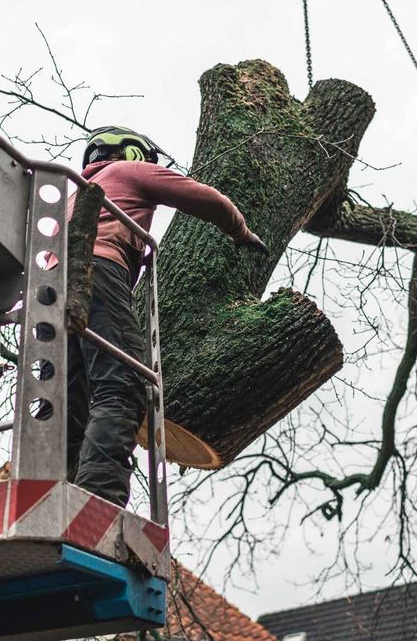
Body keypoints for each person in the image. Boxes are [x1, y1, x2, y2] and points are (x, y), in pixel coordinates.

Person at [43, 126, 267, 507]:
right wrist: (240, 230)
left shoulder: (74, 193)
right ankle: (97, 501)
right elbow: (204, 198)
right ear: (131, 153)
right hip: (95, 272)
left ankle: (54, 492)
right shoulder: (127, 171)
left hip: (47, 291)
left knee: (68, 399)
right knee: (121, 386)